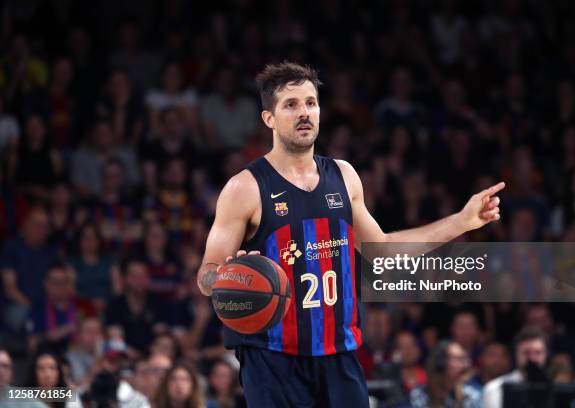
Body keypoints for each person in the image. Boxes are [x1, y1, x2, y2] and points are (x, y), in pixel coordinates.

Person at [196, 61, 504, 407]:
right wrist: (226, 276)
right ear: (269, 118)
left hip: (338, 353)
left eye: (311, 103)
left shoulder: (343, 176)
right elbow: (206, 275)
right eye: (291, 104)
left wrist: (462, 222)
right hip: (272, 358)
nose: (304, 113)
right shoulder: (244, 187)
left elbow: (383, 250)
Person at [481, 326, 549, 408]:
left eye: (538, 353)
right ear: (516, 355)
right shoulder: (495, 389)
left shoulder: (555, 390)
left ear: (545, 355)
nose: (532, 358)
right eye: (526, 353)